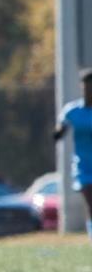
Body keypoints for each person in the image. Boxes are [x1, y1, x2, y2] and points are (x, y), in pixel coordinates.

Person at [53, 68, 92, 241]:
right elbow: (61, 128)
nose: (88, 91)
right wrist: (59, 132)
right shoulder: (73, 110)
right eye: (86, 87)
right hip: (83, 165)